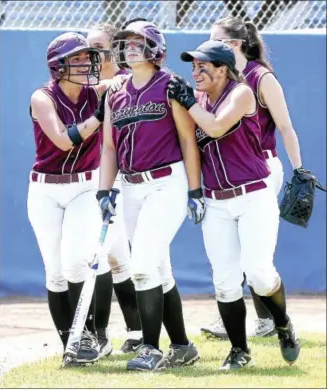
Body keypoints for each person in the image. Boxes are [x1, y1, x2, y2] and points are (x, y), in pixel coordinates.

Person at [167, 39, 300, 369]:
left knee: (258, 273)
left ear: (223, 70)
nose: (196, 72)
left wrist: (186, 101)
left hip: (253, 194)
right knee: (225, 280)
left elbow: (214, 126)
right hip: (216, 201)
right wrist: (195, 192)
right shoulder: (196, 99)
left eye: (203, 66)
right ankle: (239, 350)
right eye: (193, 66)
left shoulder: (241, 93)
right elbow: (190, 144)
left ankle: (282, 323)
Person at [98, 20, 204, 371]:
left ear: (155, 48)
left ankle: (150, 348)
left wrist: (194, 190)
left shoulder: (170, 84)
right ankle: (182, 347)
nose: (129, 47)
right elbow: (110, 147)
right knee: (160, 268)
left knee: (142, 267)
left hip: (166, 182)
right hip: (130, 186)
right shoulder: (115, 91)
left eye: (138, 42)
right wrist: (104, 189)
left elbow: (188, 140)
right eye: (125, 42)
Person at [201, 16, 304, 340]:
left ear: (234, 44)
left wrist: (299, 170)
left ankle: (268, 318)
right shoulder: (218, 80)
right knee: (233, 253)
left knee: (253, 252)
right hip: (226, 170)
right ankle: (241, 312)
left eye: (217, 39)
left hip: (262, 165)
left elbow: (285, 126)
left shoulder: (260, 77)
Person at [28, 32, 120, 366]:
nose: (85, 64)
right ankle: (73, 343)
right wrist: (97, 116)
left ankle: (93, 335)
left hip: (84, 184)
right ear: (58, 66)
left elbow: (129, 82)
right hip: (45, 190)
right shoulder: (43, 97)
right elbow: (63, 141)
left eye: (87, 58)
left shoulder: (95, 89)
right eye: (76, 59)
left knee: (76, 261)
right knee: (54, 272)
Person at [87, 22, 143, 355]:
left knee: (110, 255)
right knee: (115, 257)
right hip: (88, 178)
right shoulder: (87, 79)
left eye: (97, 47)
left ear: (113, 48)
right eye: (86, 47)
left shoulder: (122, 81)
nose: (89, 54)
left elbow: (112, 87)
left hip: (117, 178)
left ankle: (104, 335)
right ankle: (132, 331)